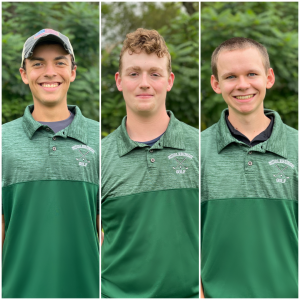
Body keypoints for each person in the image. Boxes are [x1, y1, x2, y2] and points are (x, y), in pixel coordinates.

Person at [101, 28, 199, 298]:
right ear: (119, 81)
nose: (144, 83)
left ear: (169, 80)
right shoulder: (98, 158)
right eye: (134, 73)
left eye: (155, 73)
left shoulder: (203, 149)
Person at [2, 29, 99, 298]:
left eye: (59, 62)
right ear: (24, 74)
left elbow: (108, 232)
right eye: (37, 64)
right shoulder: (3, 140)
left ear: (73, 72)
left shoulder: (101, 140)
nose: (49, 72)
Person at [201, 37, 298, 298]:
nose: (243, 84)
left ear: (269, 77)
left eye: (251, 74)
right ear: (216, 84)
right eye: (231, 76)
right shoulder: (195, 152)